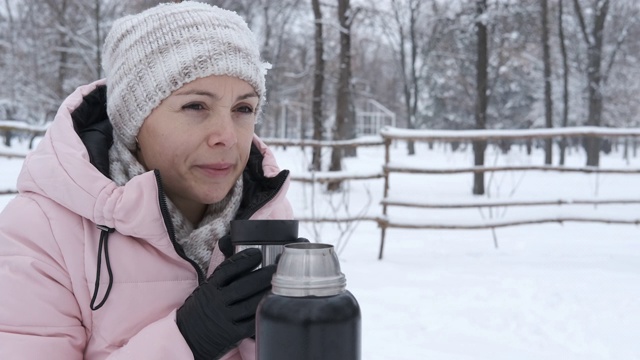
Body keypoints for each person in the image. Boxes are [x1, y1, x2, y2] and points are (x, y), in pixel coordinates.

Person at [0, 2, 294, 359]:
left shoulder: (265, 219)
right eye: (196, 106)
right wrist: (187, 339)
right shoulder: (41, 232)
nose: (227, 136)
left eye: (243, 109)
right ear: (134, 123)